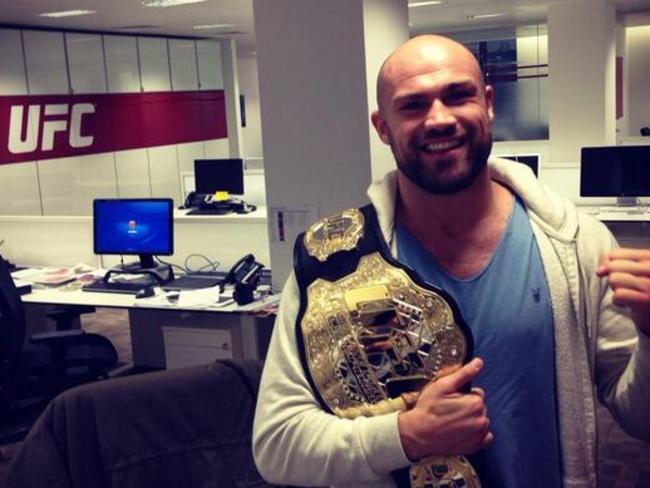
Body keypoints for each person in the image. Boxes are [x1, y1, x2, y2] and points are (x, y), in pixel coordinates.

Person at [252, 34, 650, 488]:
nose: (439, 119)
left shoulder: (578, 244)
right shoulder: (333, 264)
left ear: (488, 103)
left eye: (458, 95)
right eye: (413, 105)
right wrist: (404, 436)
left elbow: (640, 420)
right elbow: (276, 444)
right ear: (383, 128)